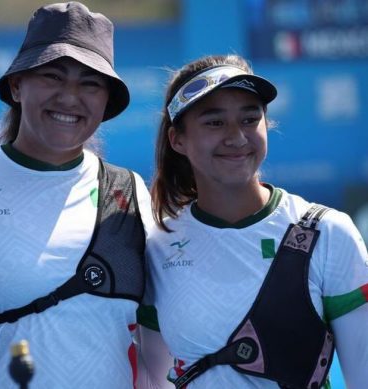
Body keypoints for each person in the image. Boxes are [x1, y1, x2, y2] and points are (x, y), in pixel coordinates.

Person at [0, 2, 155, 388]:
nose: (70, 97)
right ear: (16, 85)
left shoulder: (130, 192)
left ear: (105, 102)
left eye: (90, 84)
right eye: (52, 76)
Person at [139, 54, 368, 388]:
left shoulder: (328, 233)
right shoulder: (157, 246)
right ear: (178, 140)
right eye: (214, 122)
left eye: (249, 119)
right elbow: (151, 379)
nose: (237, 138)